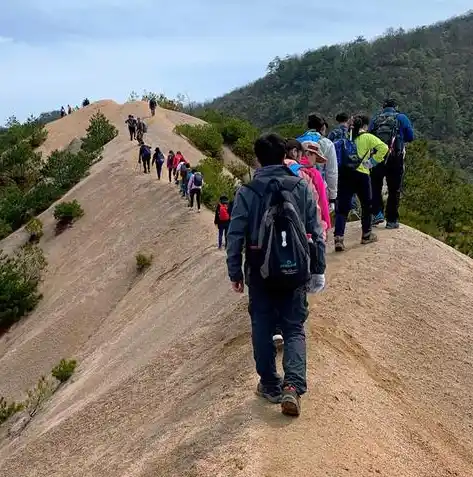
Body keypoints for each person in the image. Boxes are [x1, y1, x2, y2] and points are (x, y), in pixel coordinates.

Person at [226, 133, 326, 417]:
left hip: (260, 270)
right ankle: (293, 387)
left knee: (262, 325)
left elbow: (235, 235)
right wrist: (318, 269)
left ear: (257, 158)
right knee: (294, 327)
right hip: (295, 268)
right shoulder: (300, 186)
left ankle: (270, 384)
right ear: (286, 155)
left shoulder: (248, 191)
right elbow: (316, 231)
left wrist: (235, 270)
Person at [333, 115, 389, 252]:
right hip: (362, 175)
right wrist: (372, 162)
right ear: (365, 126)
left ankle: (339, 238)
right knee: (366, 205)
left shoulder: (345, 138)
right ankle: (366, 235)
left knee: (342, 207)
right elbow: (384, 148)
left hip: (345, 175)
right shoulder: (368, 137)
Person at [369, 98, 414, 229]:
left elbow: (369, 135)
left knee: (375, 186)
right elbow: (410, 136)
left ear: (383, 107)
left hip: (377, 157)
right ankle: (392, 220)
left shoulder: (376, 119)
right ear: (395, 107)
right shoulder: (401, 118)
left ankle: (377, 214)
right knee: (394, 189)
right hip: (395, 157)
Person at [297, 113, 338, 210]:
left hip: (298, 187)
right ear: (323, 127)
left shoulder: (297, 141)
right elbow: (331, 172)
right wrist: (333, 196)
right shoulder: (327, 143)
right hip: (319, 188)